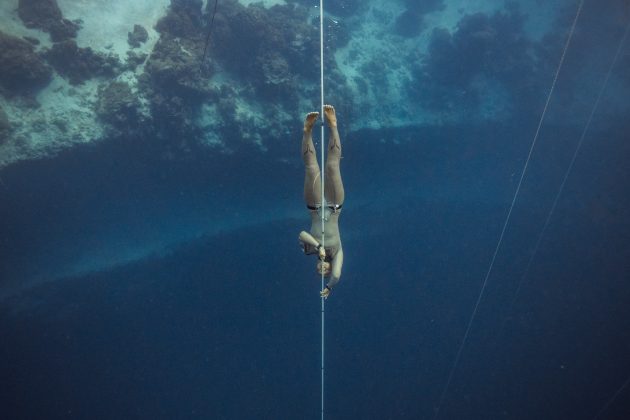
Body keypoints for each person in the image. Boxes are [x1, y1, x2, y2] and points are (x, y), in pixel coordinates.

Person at [298, 105, 344, 299]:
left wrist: (318, 247)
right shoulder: (338, 251)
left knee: (311, 168)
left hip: (314, 207)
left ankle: (307, 131)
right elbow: (337, 274)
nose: (323, 270)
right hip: (334, 207)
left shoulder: (309, 250)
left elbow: (301, 234)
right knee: (333, 167)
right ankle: (333, 126)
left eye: (319, 271)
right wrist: (330, 287)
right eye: (325, 271)